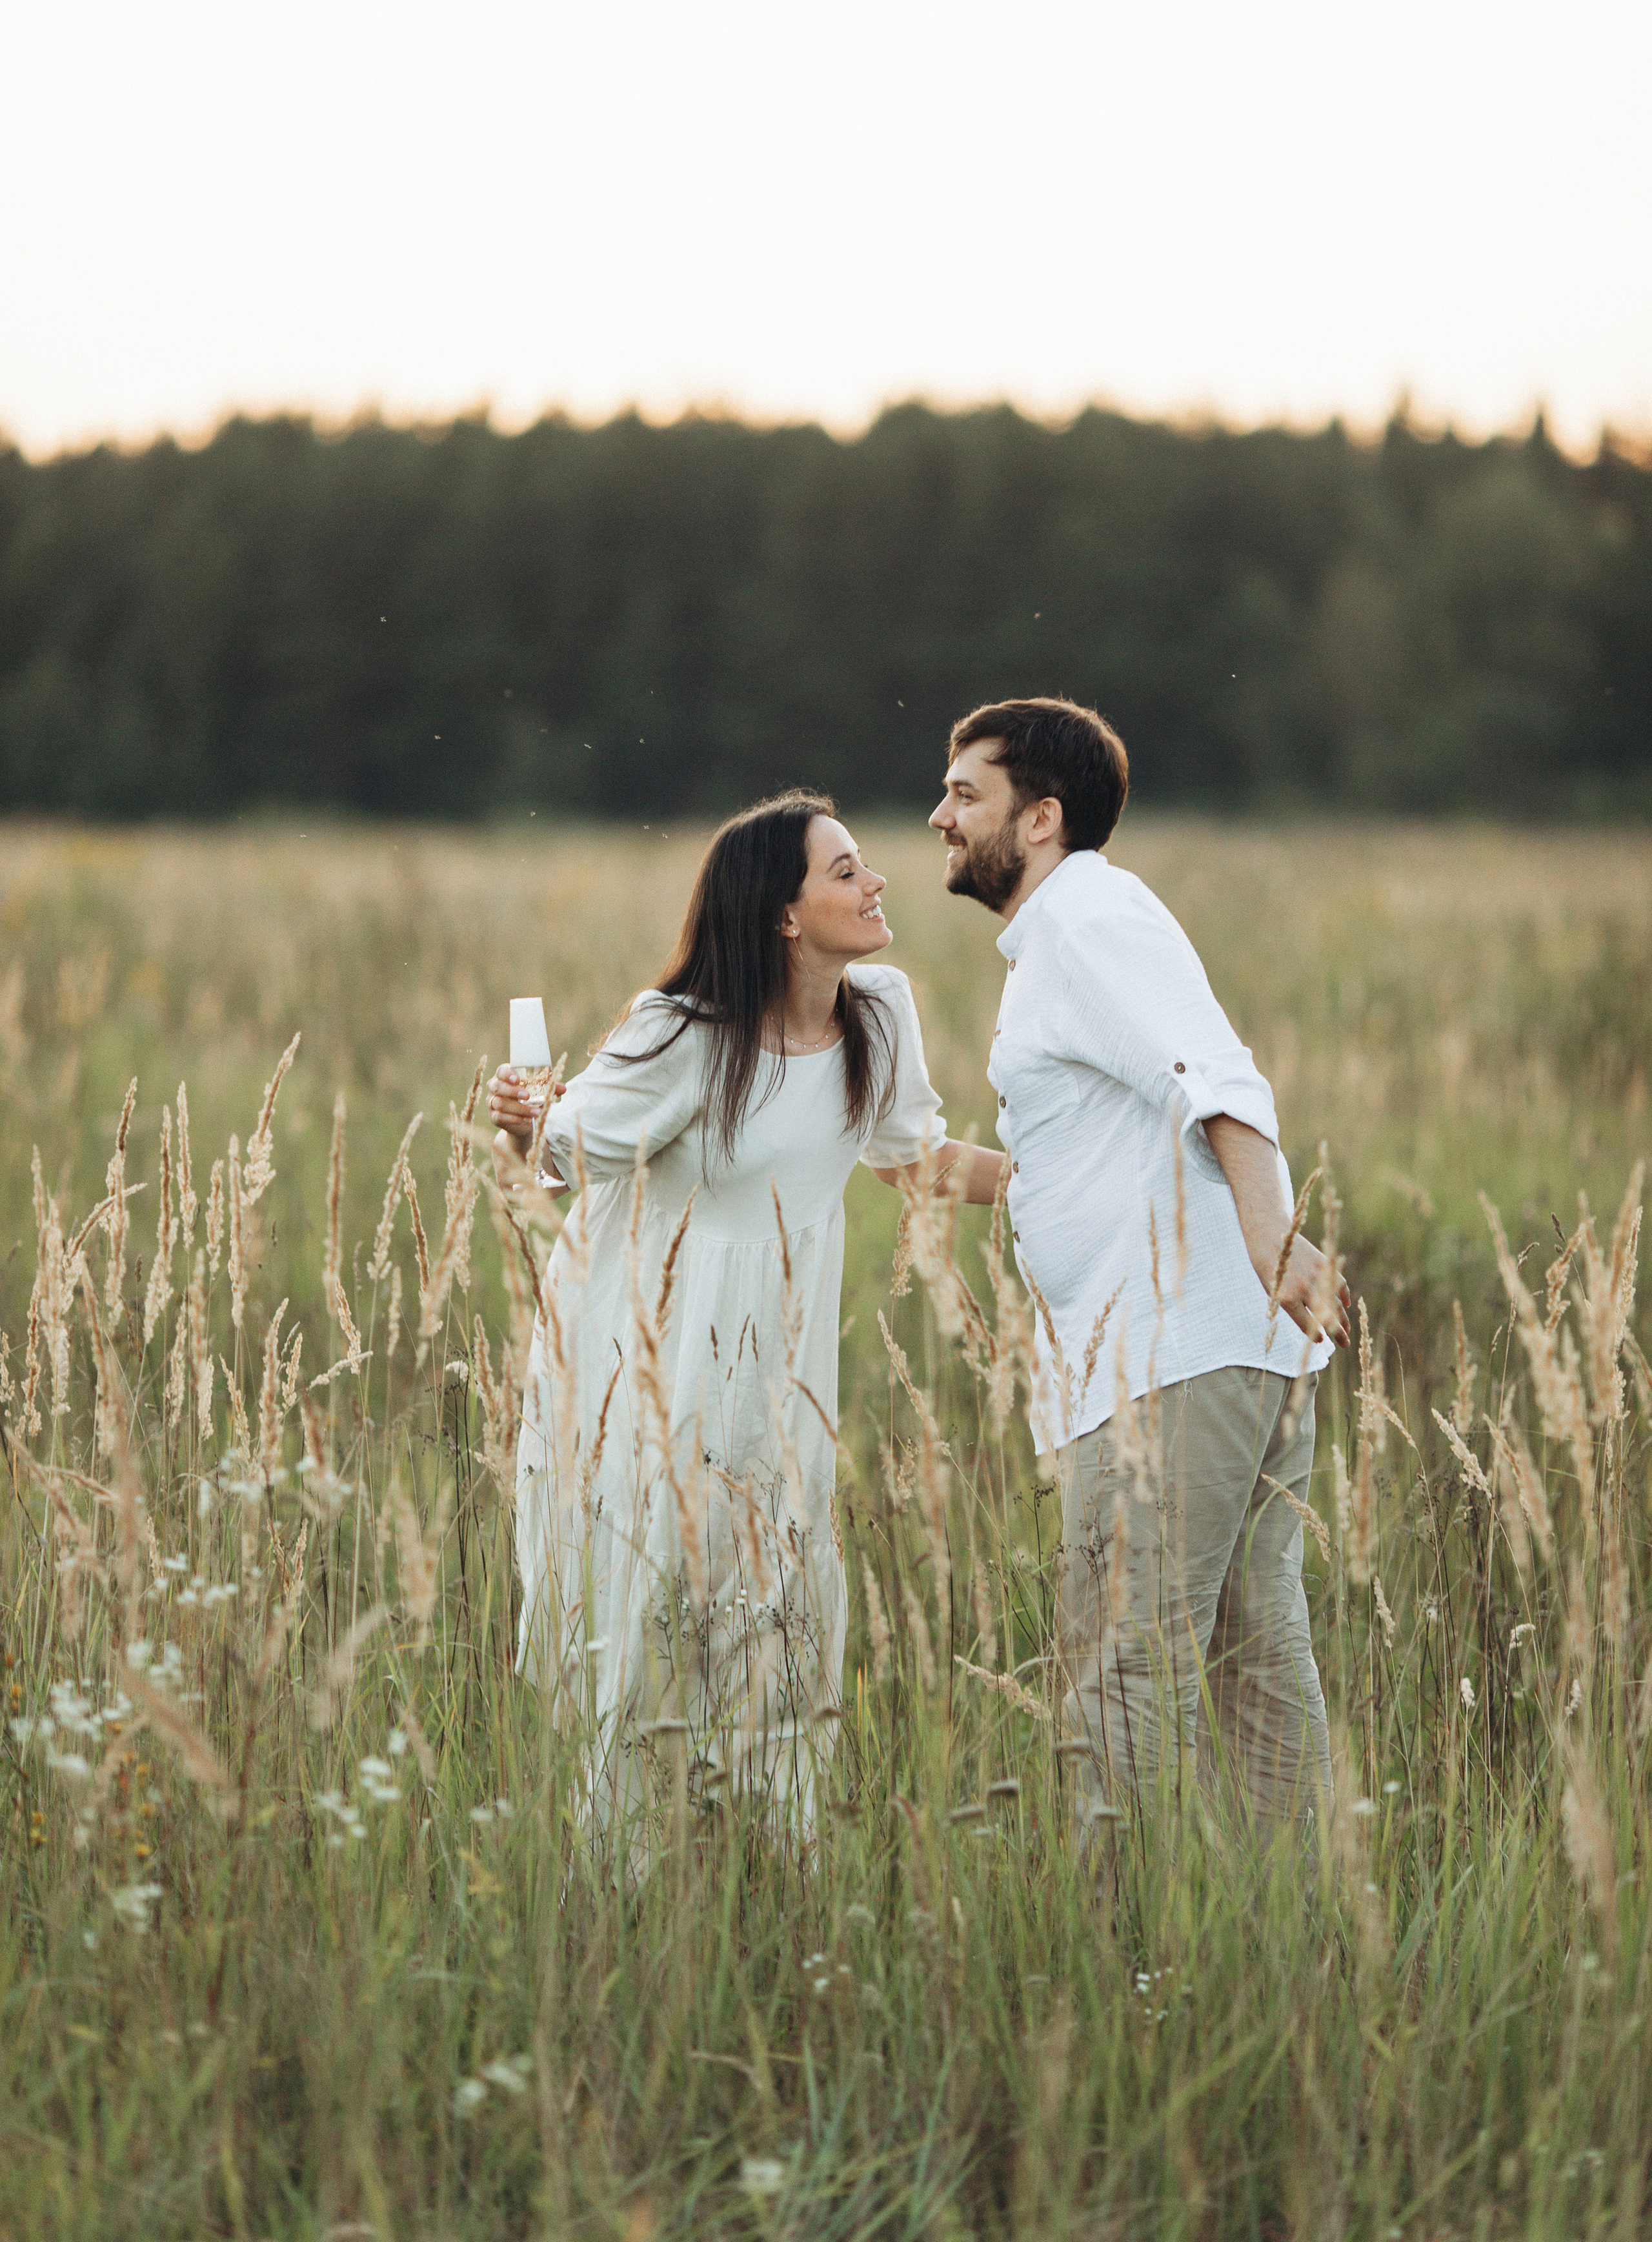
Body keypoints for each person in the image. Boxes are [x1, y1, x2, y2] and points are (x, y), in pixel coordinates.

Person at [487, 790, 1002, 1839]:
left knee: (780, 1620)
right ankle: (624, 1879)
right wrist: (523, 1117)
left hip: (779, 1373)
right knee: (645, 1626)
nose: (876, 882)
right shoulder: (682, 1034)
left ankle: (774, 1864)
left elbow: (918, 1160)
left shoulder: (878, 1011)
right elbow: (560, 1151)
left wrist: (1074, 1179)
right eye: (847, 871)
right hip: (647, 1368)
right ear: (782, 915)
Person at [928, 698, 1350, 1837]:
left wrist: (1269, 1233)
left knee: (1124, 1675)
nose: (940, 816)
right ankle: (1287, 1950)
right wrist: (915, 1159)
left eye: (967, 794)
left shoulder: (1086, 920)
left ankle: (1132, 1965)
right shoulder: (1071, 936)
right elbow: (1081, 1157)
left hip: (1173, 1361)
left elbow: (1216, 1075)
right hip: (1210, 1351)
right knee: (1256, 1663)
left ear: (1043, 818)